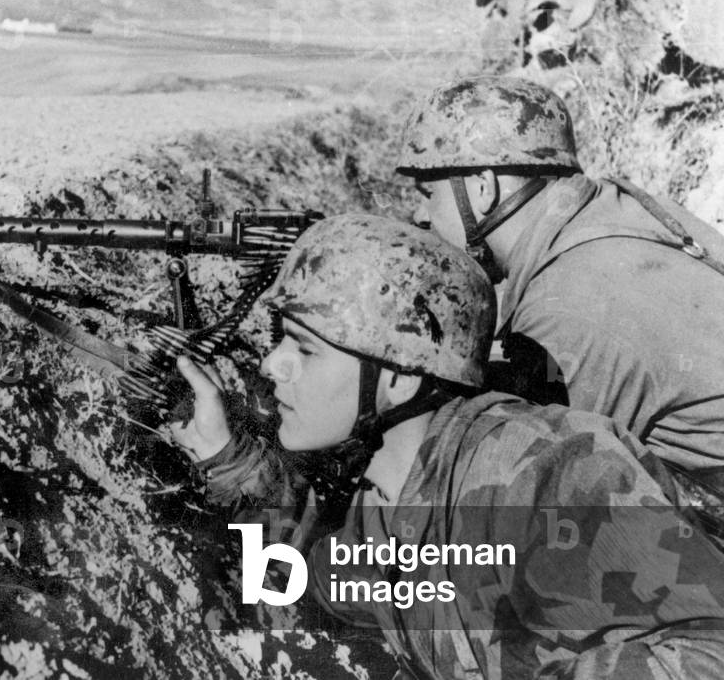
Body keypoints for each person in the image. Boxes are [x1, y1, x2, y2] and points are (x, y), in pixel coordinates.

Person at [169, 214, 724, 679]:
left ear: (400, 380)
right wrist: (229, 460)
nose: (272, 365)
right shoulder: (383, 500)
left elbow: (710, 649)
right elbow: (302, 578)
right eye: (279, 340)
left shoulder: (542, 471)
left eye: (305, 349)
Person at [394, 75, 724, 506]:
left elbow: (534, 482)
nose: (421, 215)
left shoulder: (567, 303)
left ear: (482, 188)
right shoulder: (614, 213)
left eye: (428, 193)